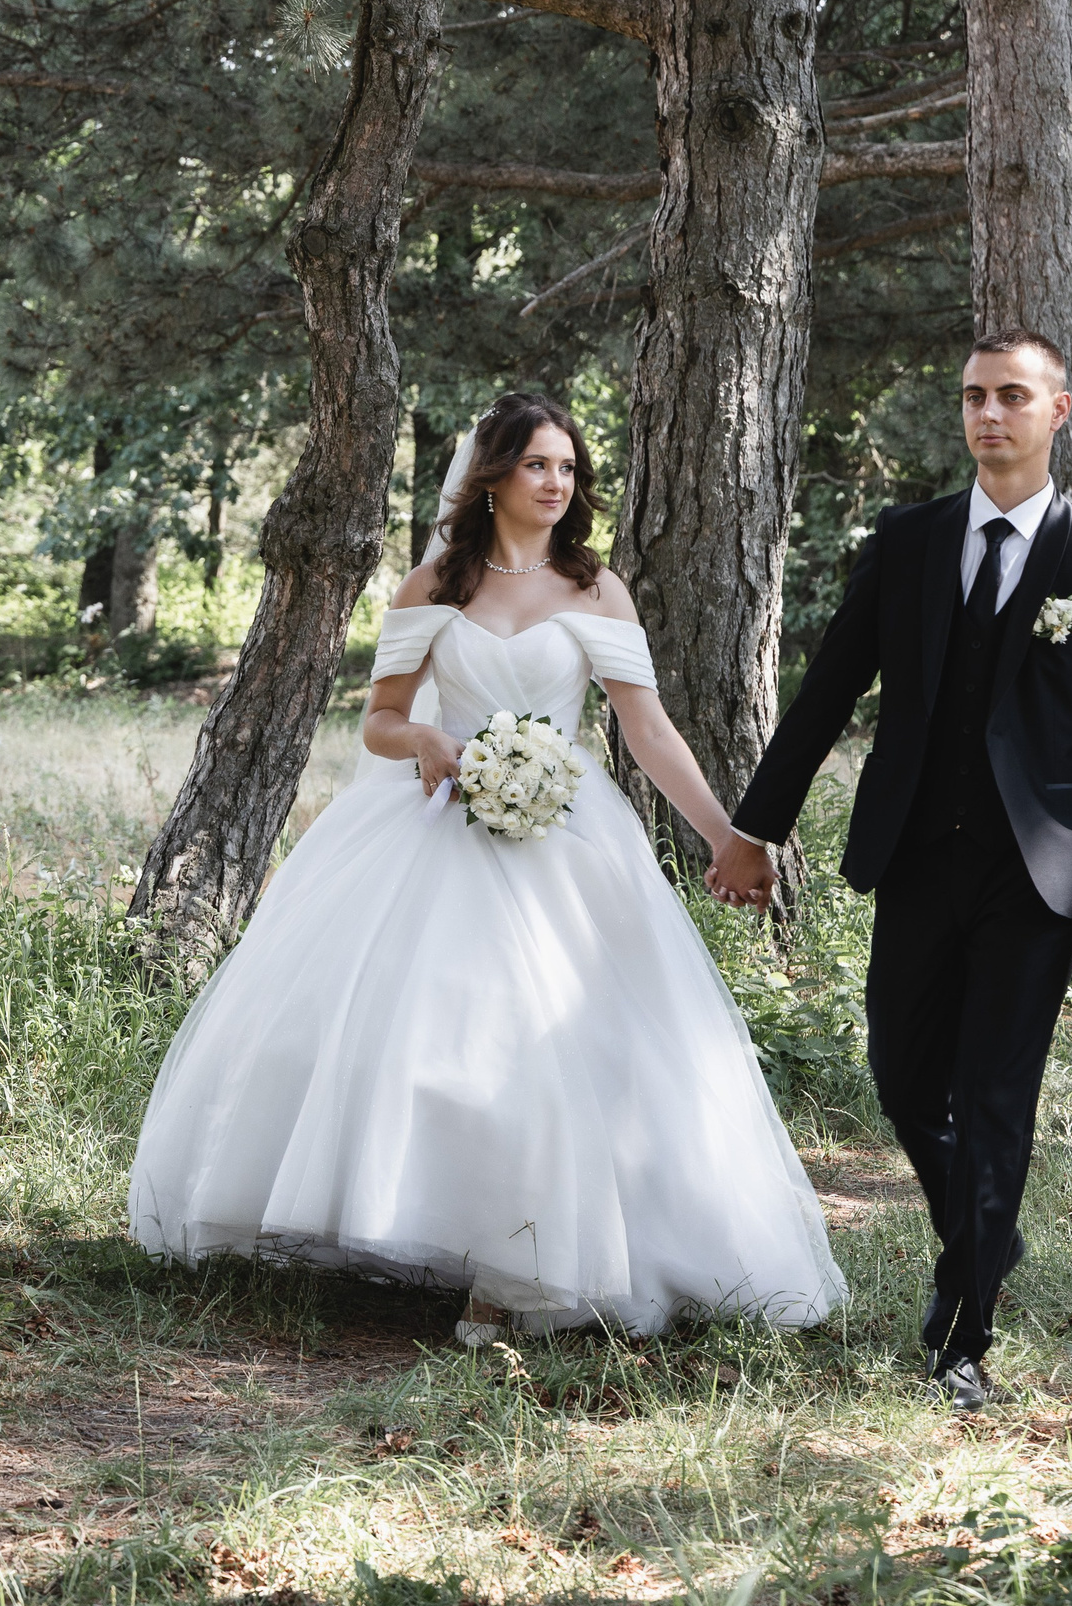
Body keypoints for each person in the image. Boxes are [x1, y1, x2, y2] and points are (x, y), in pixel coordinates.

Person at [128, 394, 847, 1343]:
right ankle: (445, 1226)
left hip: (567, 836)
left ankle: (531, 1269)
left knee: (565, 1044)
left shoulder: (596, 590)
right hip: (436, 824)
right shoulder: (432, 585)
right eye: (538, 466)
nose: (557, 485)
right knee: (428, 1040)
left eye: (568, 469)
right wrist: (426, 736)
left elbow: (645, 726)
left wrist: (724, 837)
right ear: (493, 476)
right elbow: (378, 720)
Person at [707, 330, 1072, 1413]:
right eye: (971, 396)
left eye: (1009, 395)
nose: (986, 413)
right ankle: (985, 1228)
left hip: (1036, 874)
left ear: (1058, 410)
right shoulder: (905, 540)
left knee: (996, 1099)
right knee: (906, 1081)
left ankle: (960, 1337)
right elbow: (823, 695)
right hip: (911, 855)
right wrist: (751, 828)